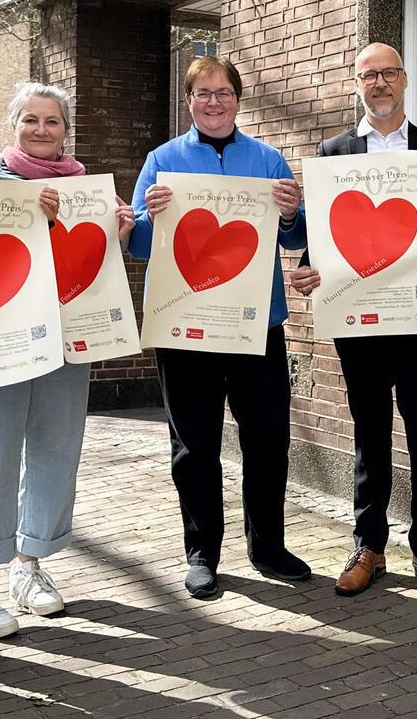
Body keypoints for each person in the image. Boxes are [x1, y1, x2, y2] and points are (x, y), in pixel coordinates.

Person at [128, 56, 309, 599]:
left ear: (237, 99)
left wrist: (291, 212)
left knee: (268, 438)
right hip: (186, 328)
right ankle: (202, 551)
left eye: (223, 92)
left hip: (257, 327)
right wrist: (149, 219)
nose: (213, 102)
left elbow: (293, 240)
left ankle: (268, 546)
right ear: (189, 101)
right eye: (202, 93)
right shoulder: (162, 161)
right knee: (194, 444)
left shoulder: (268, 158)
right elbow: (138, 245)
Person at [290, 41, 417, 598]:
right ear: (356, 84)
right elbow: (324, 232)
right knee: (369, 434)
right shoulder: (334, 150)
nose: (380, 83)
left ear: (406, 80)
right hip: (360, 322)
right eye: (369, 75)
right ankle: (369, 545)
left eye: (388, 73)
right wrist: (309, 269)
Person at [0, 82, 134, 636]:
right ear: (12, 125)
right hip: (3, 340)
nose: (41, 131)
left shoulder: (88, 190)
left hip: (68, 337)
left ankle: (29, 566)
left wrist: (119, 232)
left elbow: (97, 259)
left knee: (57, 447)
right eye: (30, 120)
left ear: (66, 130)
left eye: (52, 122)